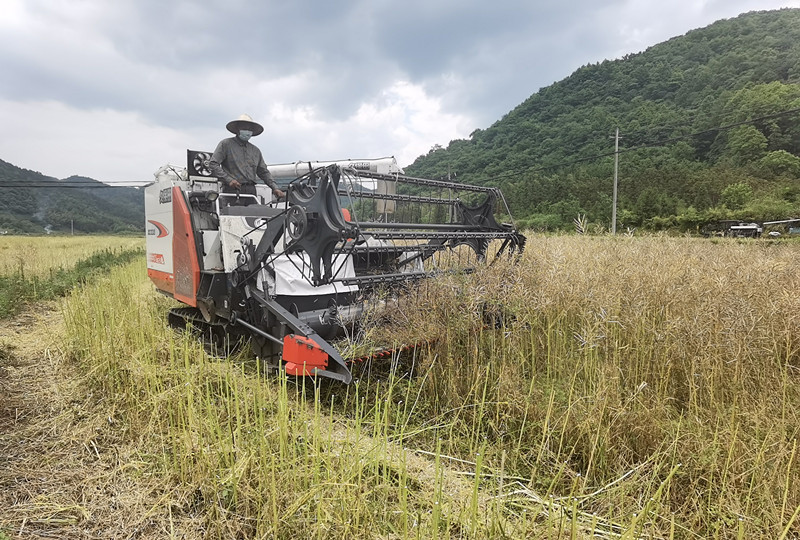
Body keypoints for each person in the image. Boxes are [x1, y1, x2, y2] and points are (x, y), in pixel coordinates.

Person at [208, 114, 286, 200]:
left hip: (251, 190)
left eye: (249, 129)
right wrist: (229, 180)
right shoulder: (226, 144)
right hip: (233, 190)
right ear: (238, 129)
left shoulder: (255, 151)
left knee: (254, 211)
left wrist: (275, 188)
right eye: (244, 128)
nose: (247, 131)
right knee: (231, 212)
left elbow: (263, 172)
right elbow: (213, 164)